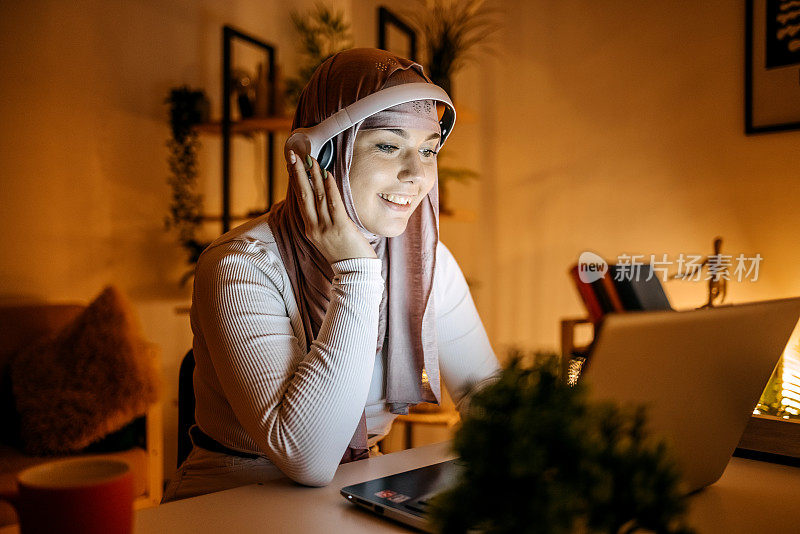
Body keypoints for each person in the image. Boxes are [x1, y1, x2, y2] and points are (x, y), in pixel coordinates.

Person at [162, 47, 501, 503]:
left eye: (428, 150)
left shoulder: (428, 261)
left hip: (355, 494)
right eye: (387, 145)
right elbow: (309, 457)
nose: (417, 176)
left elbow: (490, 398)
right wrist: (357, 270)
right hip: (230, 496)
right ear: (320, 156)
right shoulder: (239, 265)